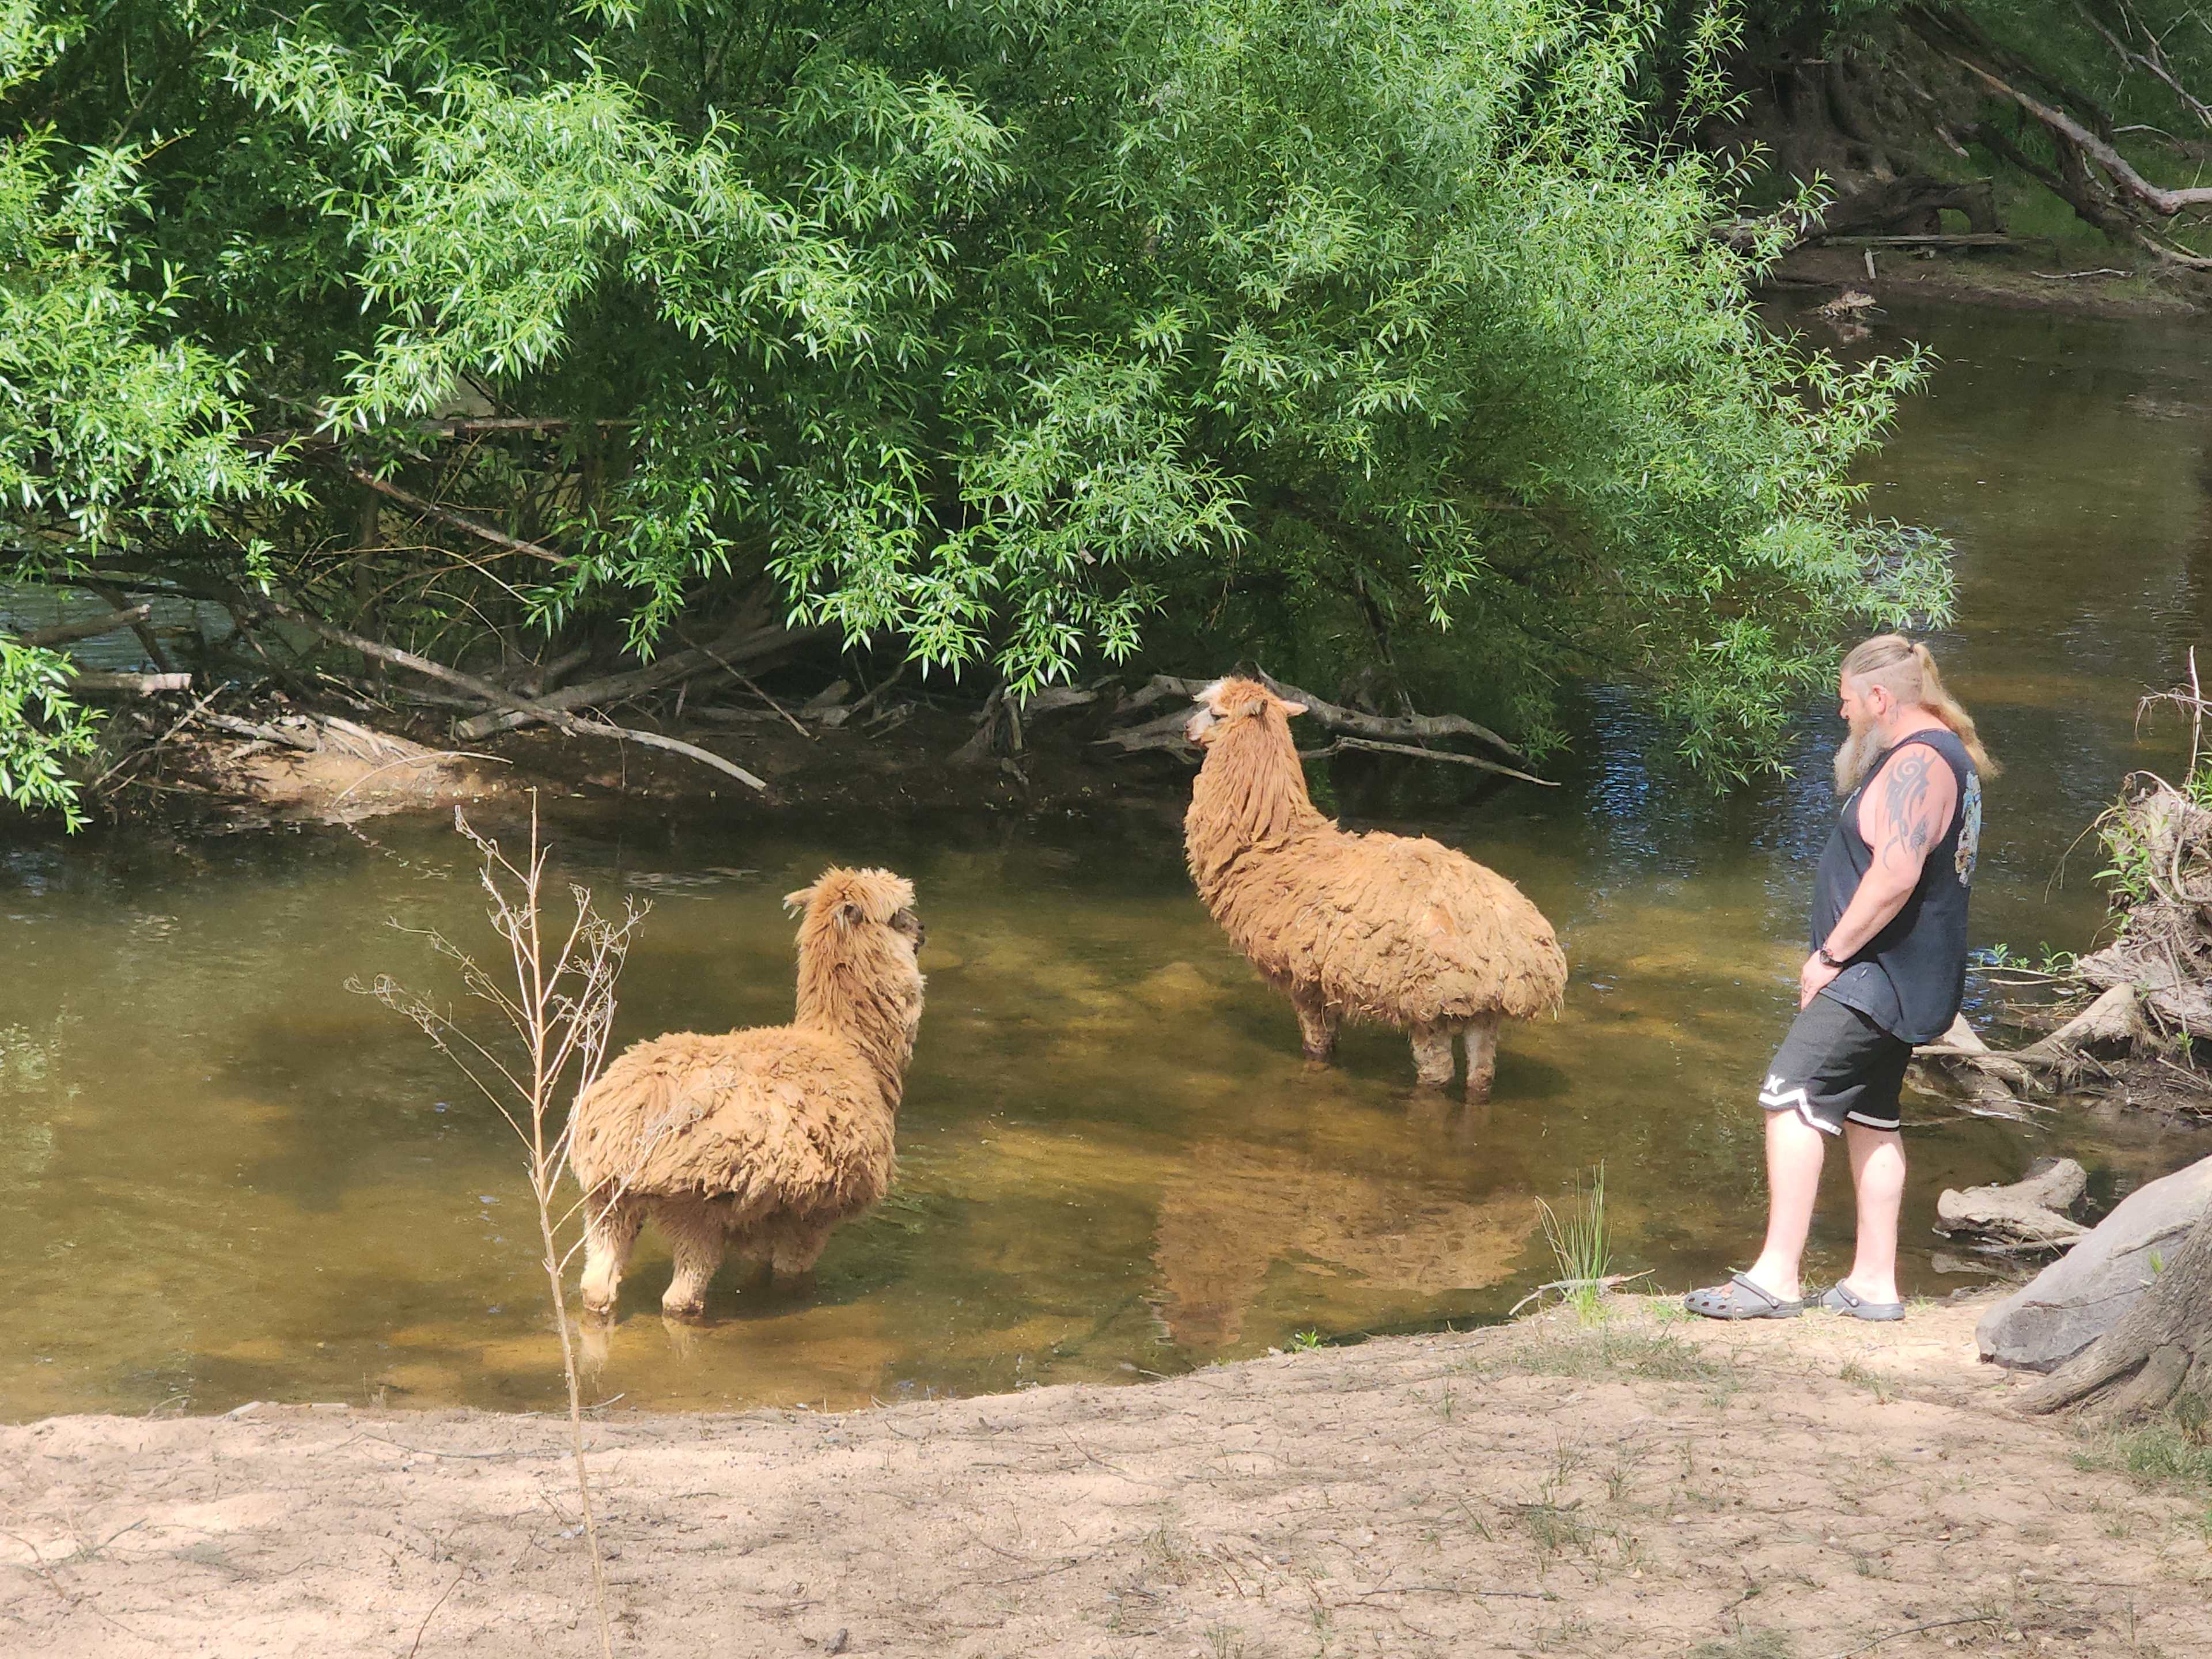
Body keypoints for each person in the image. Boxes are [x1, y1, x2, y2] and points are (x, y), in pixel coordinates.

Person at [1687, 635, 1996, 1321]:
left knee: (1791, 1095)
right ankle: (1873, 1285)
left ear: (1880, 698)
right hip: (1908, 977)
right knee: (1871, 1116)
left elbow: (1897, 873)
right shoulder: (1947, 755)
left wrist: (1830, 956)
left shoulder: (1919, 761)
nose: (1843, 713)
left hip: (1875, 973)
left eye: (1848, 700)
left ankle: (1776, 1278)